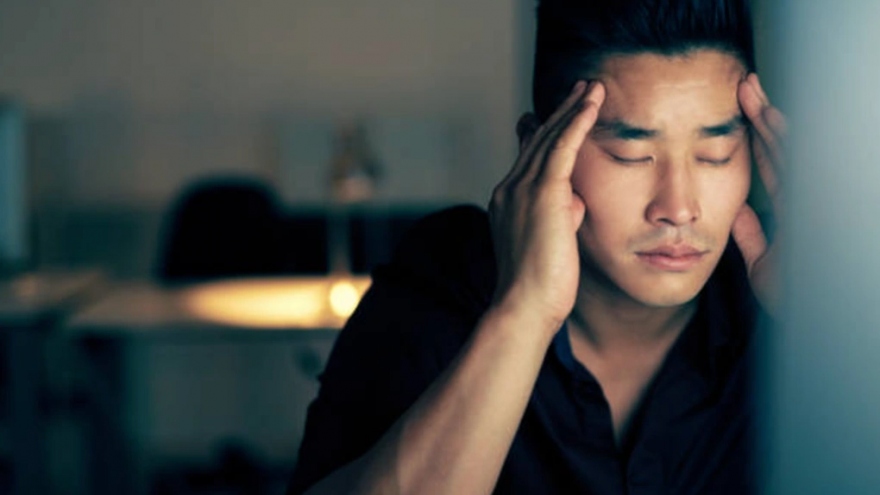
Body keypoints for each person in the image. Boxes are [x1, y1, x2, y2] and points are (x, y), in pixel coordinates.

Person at [287, 0, 786, 493]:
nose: (678, 208)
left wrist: (822, 320)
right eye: (630, 154)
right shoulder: (441, 283)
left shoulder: (781, 295)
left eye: (716, 154)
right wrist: (524, 310)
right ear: (537, 149)